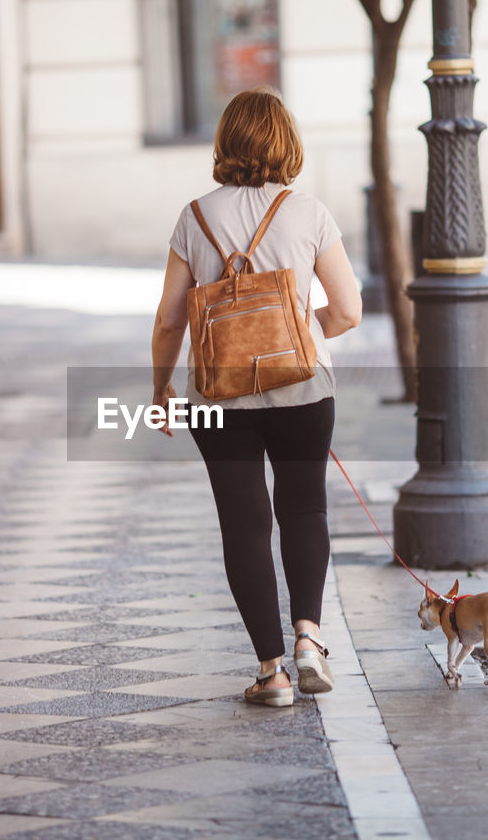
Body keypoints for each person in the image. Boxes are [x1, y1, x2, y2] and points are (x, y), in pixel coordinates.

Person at [150, 87, 362, 707]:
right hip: (303, 388)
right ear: (286, 143)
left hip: (219, 395)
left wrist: (160, 387)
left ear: (226, 144)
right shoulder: (310, 213)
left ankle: (271, 674)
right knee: (305, 509)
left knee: (243, 523)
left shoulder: (194, 217)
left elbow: (168, 321)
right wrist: (294, 335)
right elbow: (347, 311)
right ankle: (309, 639)